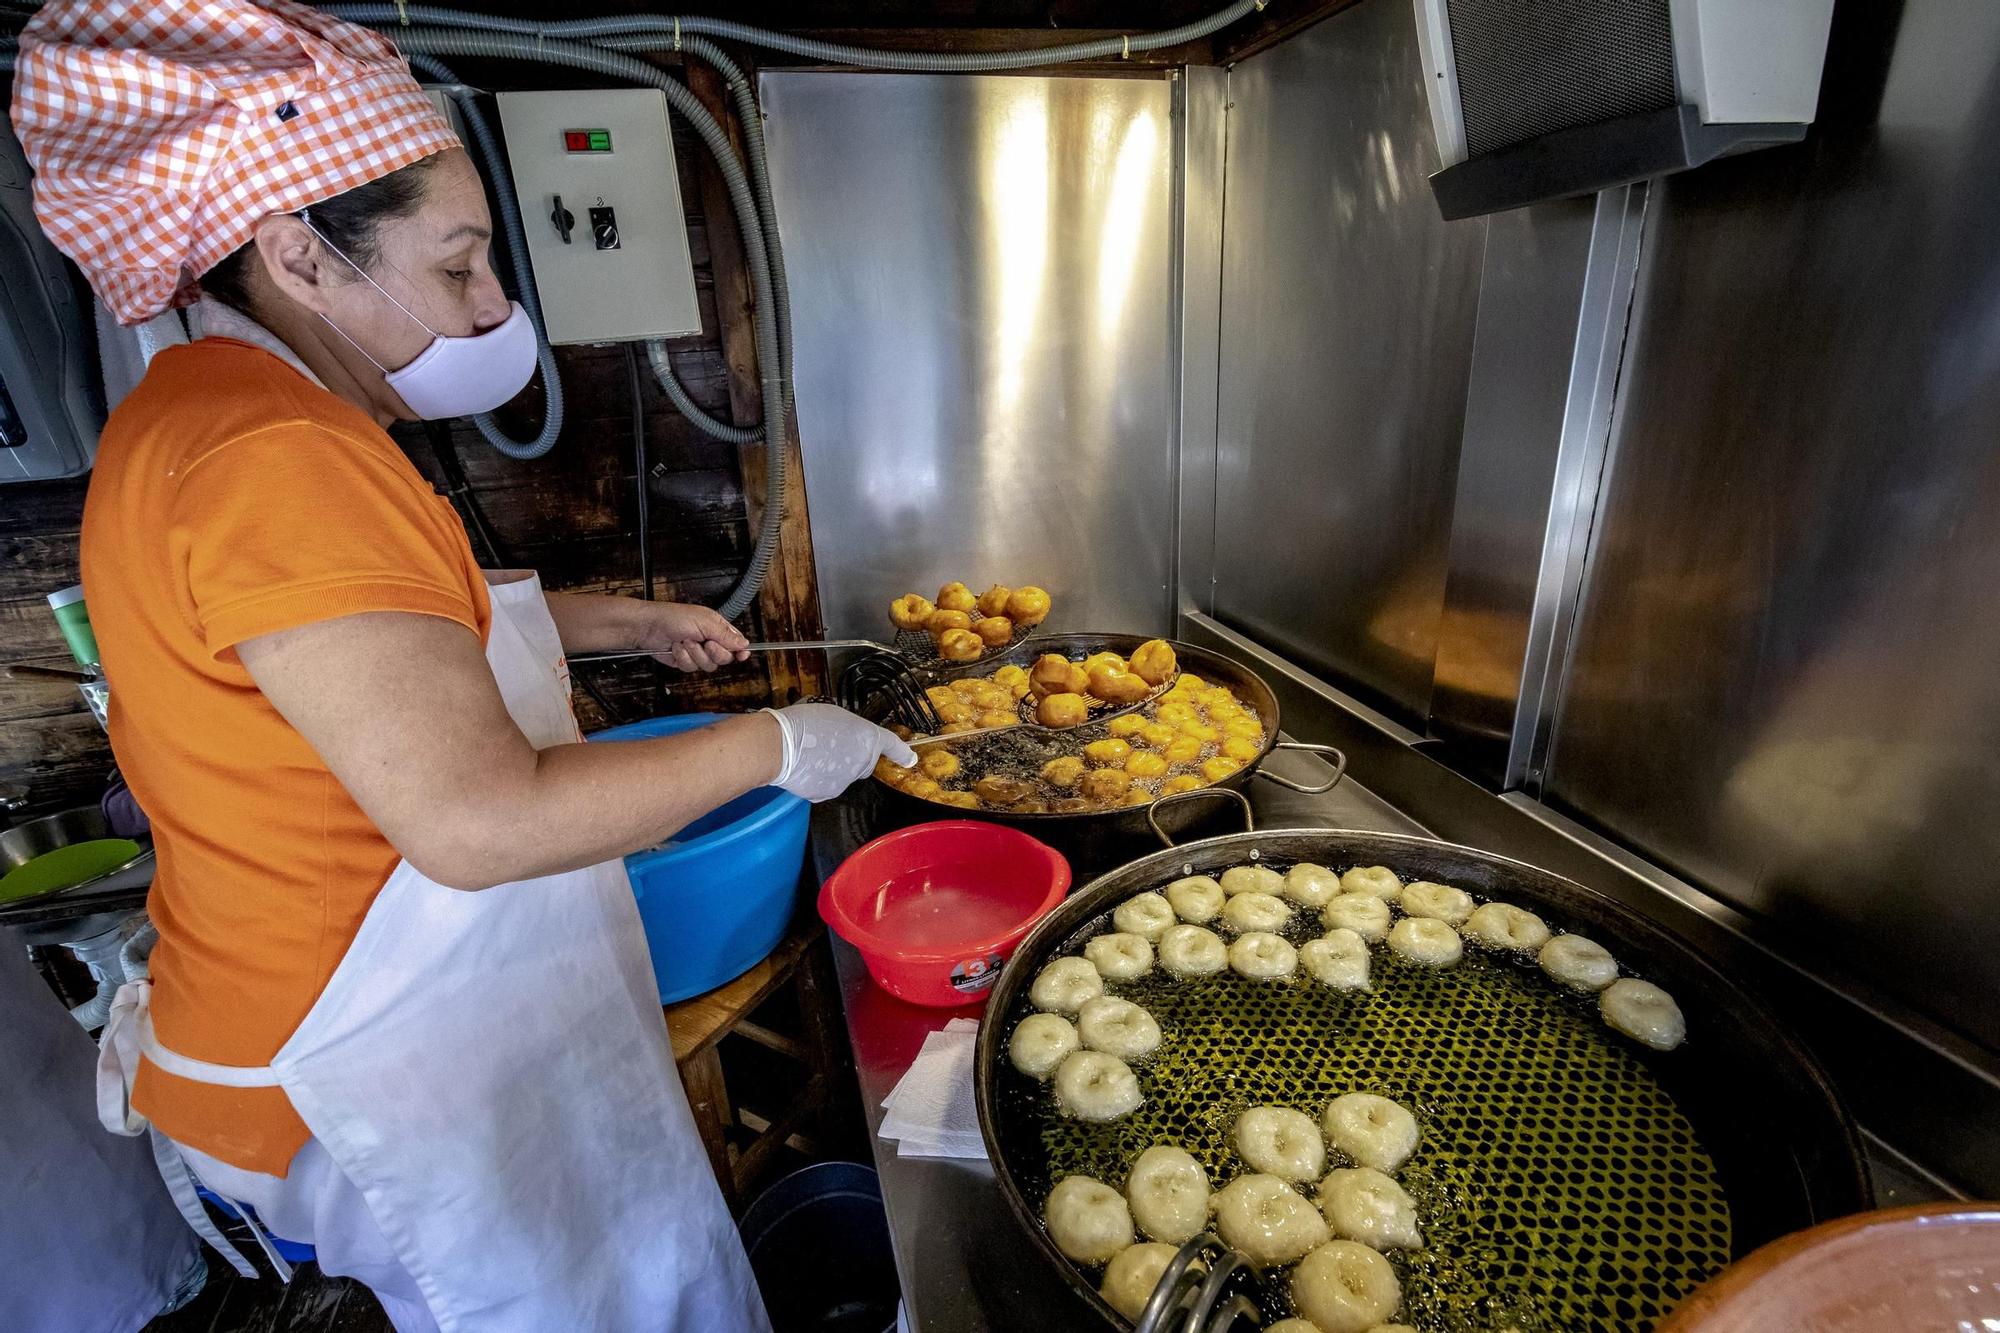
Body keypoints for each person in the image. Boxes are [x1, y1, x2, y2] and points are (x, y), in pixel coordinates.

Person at [11, 3, 914, 1330]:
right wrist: (781, 741)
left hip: (326, 1024)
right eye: (457, 267)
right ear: (298, 253)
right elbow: (479, 820)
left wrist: (624, 621)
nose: (496, 304)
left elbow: (389, 643)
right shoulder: (272, 457)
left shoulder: (207, 412)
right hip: (368, 1067)